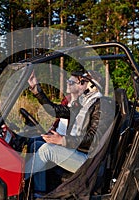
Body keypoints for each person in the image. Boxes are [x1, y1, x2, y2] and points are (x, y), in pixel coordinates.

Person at [25, 70, 105, 198]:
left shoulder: (101, 105)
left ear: (92, 86)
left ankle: (16, 183)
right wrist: (36, 88)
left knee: (47, 150)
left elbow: (94, 139)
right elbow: (55, 110)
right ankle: (39, 192)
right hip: (77, 151)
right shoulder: (83, 105)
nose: (78, 85)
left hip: (88, 161)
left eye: (82, 82)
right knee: (37, 143)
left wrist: (63, 140)